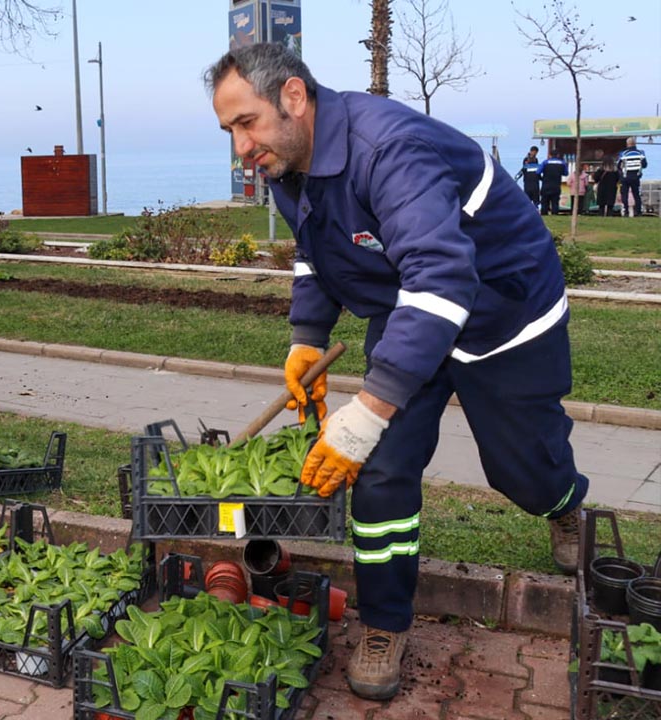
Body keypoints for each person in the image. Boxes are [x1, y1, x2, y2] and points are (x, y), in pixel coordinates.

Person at [206, 44, 588, 701]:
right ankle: (385, 622)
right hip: (409, 309)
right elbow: (316, 248)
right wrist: (307, 336)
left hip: (505, 309)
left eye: (247, 123)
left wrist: (370, 407)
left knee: (520, 469)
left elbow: (443, 277)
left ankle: (563, 505)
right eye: (229, 131)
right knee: (379, 471)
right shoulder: (287, 159)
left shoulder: (390, 148)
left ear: (293, 97)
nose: (241, 147)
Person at [617, 137, 648, 217]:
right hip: (636, 177)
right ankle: (638, 212)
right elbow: (644, 165)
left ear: (628, 144)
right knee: (636, 194)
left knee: (625, 195)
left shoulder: (623, 153)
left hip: (625, 177)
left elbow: (618, 165)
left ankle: (626, 211)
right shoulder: (641, 153)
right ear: (635, 143)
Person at [538, 149, 567, 216]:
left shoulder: (545, 162)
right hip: (556, 186)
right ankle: (555, 215)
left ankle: (544, 215)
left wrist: (542, 178)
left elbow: (538, 172)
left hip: (546, 185)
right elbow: (566, 173)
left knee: (544, 202)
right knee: (555, 202)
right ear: (558, 155)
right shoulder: (562, 163)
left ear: (550, 155)